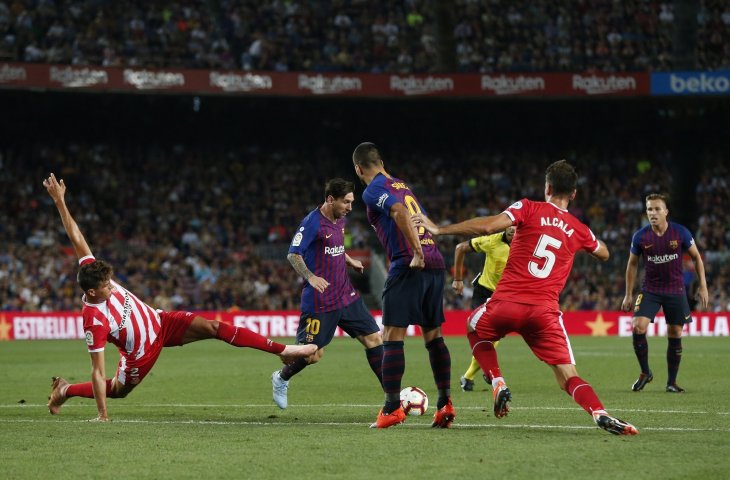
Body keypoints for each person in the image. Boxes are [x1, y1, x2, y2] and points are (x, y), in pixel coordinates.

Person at [42, 173, 316, 421]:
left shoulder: (90, 272)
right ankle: (65, 390)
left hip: (161, 322)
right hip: (141, 353)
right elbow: (98, 372)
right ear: (91, 292)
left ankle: (283, 351)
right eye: (106, 287)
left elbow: (75, 234)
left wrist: (60, 202)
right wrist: (103, 415)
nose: (112, 288)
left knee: (213, 327)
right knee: (117, 389)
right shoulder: (94, 321)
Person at [413, 160, 639, 436]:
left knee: (473, 327)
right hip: (544, 314)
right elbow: (603, 253)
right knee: (568, 376)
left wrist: (439, 229)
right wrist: (587, 238)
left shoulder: (528, 207)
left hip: (505, 304)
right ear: (574, 194)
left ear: (548, 187)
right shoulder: (578, 228)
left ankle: (497, 380)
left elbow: (488, 227)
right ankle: (599, 412)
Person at [352, 142, 455, 429]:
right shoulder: (402, 184)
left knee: (392, 337)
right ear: (381, 161)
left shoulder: (373, 189)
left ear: (359, 169)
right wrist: (428, 246)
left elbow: (399, 213)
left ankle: (391, 409)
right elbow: (417, 215)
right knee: (434, 337)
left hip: (410, 262)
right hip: (436, 263)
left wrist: (417, 253)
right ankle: (445, 405)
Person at [271, 178, 383, 409]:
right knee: (312, 355)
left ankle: (392, 398)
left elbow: (336, 248)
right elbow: (293, 254)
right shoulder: (312, 223)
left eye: (352, 202)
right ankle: (281, 377)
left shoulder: (340, 219)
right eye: (346, 202)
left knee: (374, 339)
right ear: (330, 199)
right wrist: (311, 277)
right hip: (320, 301)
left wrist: (350, 260)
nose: (350, 208)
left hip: (345, 294)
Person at [621, 193, 708, 393]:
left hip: (675, 290)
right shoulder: (641, 236)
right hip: (650, 289)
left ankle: (671, 382)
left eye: (657, 209)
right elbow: (632, 265)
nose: (653, 213)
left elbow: (696, 258)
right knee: (637, 326)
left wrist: (702, 285)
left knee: (675, 332)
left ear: (666, 212)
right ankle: (645, 372)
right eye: (649, 209)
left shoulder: (680, 233)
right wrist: (628, 294)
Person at [453, 226, 515, 392]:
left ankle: (473, 375)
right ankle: (477, 375)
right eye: (510, 225)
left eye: (517, 226)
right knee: (486, 336)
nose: (512, 229)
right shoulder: (493, 240)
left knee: (493, 338)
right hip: (484, 293)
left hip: (504, 297)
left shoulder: (527, 247)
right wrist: (458, 279)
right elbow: (460, 248)